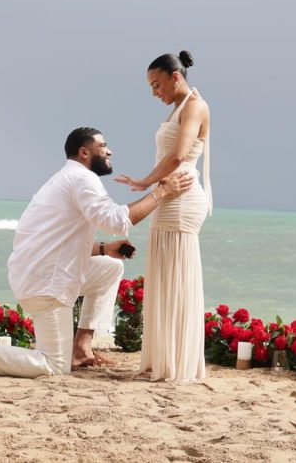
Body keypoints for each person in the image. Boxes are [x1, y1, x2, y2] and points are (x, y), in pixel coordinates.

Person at [0, 127, 194, 378]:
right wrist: (161, 192)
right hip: (46, 283)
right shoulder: (82, 179)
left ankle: (81, 347)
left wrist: (103, 249)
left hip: (40, 272)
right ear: (84, 152)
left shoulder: (67, 179)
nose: (110, 151)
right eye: (103, 146)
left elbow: (57, 242)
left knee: (110, 267)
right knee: (55, 366)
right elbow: (117, 221)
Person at [114, 50, 212, 382]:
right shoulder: (177, 109)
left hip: (181, 197)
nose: (156, 93)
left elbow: (179, 155)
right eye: (151, 88)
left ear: (176, 76)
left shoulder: (195, 106)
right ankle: (163, 360)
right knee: (163, 276)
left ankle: (177, 364)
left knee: (177, 278)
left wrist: (145, 181)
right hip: (169, 194)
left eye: (157, 85)